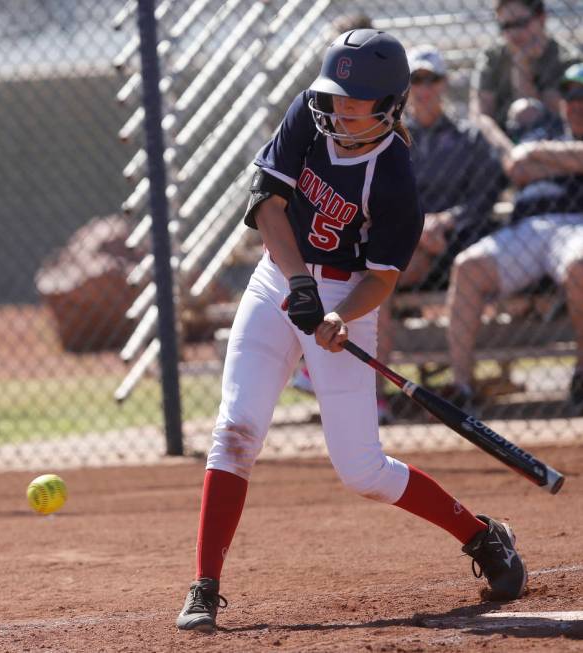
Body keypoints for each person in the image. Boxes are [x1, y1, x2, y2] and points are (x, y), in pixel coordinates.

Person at [175, 29, 527, 633]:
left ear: (390, 106)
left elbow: (382, 279)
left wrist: (338, 317)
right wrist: (296, 283)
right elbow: (267, 204)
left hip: (347, 295)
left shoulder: (394, 178)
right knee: (235, 430)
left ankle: (480, 534)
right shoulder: (309, 118)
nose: (337, 106)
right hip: (275, 278)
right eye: (332, 93)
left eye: (353, 99)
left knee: (361, 471)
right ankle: (205, 585)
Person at [375, 45, 505, 422]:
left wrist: (444, 222)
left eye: (431, 79)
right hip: (410, 247)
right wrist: (419, 227)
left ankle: (461, 391)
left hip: (459, 241)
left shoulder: (469, 136)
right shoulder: (391, 139)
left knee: (455, 260)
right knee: (380, 274)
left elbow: (483, 198)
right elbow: (382, 197)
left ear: (445, 84)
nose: (424, 88)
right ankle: (375, 397)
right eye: (416, 80)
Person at [447, 62, 583, 412]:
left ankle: (582, 373)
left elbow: (528, 160)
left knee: (580, 265)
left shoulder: (543, 141)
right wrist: (565, 159)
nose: (575, 102)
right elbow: (517, 166)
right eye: (569, 95)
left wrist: (540, 156)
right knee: (468, 266)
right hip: (527, 229)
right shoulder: (544, 130)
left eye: (582, 95)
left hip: (575, 225)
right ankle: (461, 387)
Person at [470, 0, 580, 132]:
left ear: (542, 19)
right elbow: (480, 116)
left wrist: (522, 63)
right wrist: (507, 150)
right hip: (500, 142)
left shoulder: (567, 59)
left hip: (554, 140)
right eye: (506, 25)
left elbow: (555, 116)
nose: (514, 32)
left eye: (521, 23)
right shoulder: (493, 56)